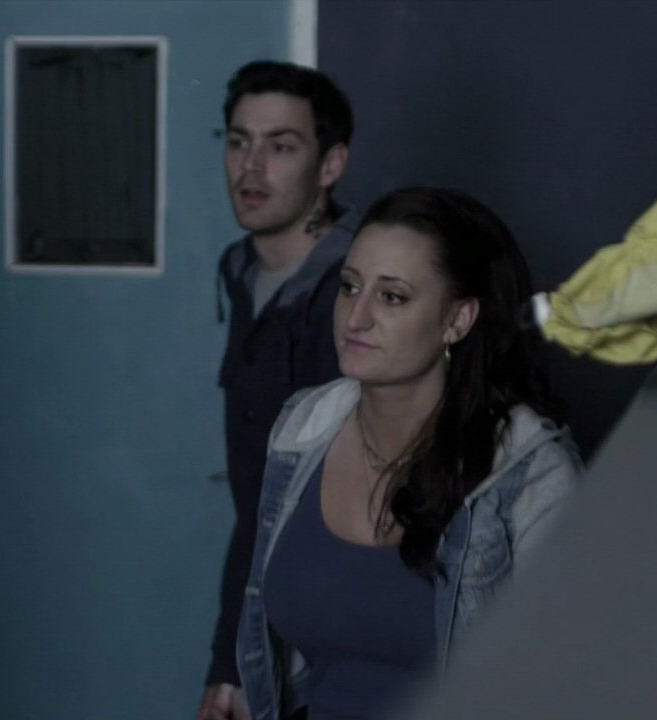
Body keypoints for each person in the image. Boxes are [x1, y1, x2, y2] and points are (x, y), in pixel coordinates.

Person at [234, 187, 584, 720]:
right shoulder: (302, 430)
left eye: (392, 297)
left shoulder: (529, 471)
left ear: (457, 320)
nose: (355, 318)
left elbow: (567, 680)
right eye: (350, 287)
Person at [200, 60, 356, 720]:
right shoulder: (241, 271)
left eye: (281, 146)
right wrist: (231, 662)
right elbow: (257, 504)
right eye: (239, 141)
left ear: (330, 165)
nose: (251, 166)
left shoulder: (357, 289)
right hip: (265, 614)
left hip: (340, 638)